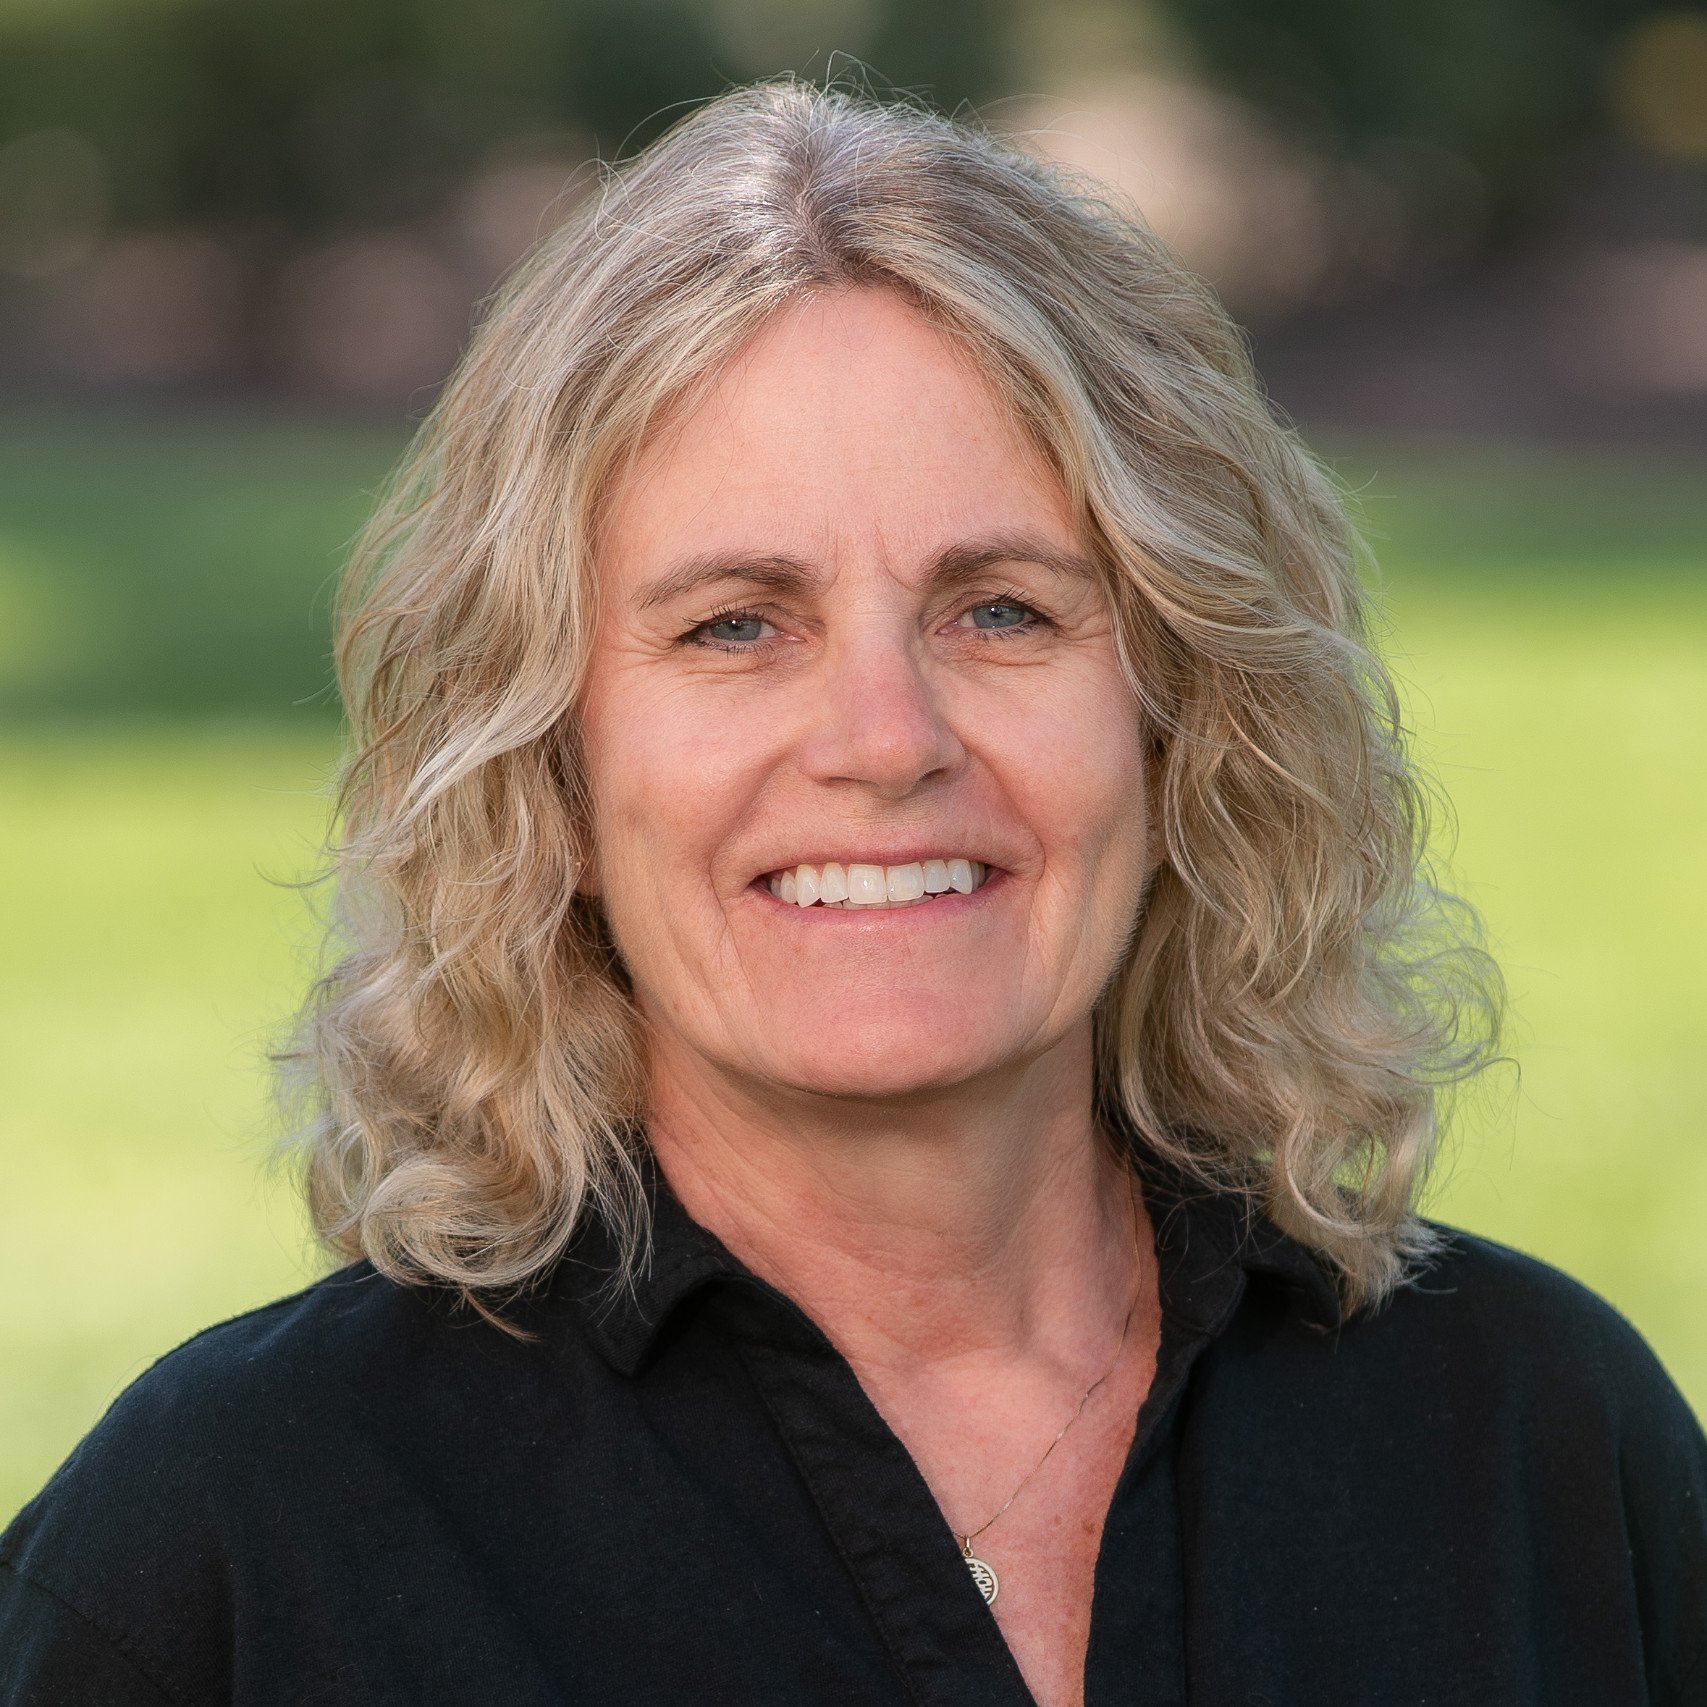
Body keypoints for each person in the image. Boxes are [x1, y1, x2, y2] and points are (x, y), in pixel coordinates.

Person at [2, 81, 1703, 1707]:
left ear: (1182, 717)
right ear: (551, 762)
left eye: (1003, 610)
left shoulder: (1538, 1449)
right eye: (736, 624)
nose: (887, 741)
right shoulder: (235, 1552)